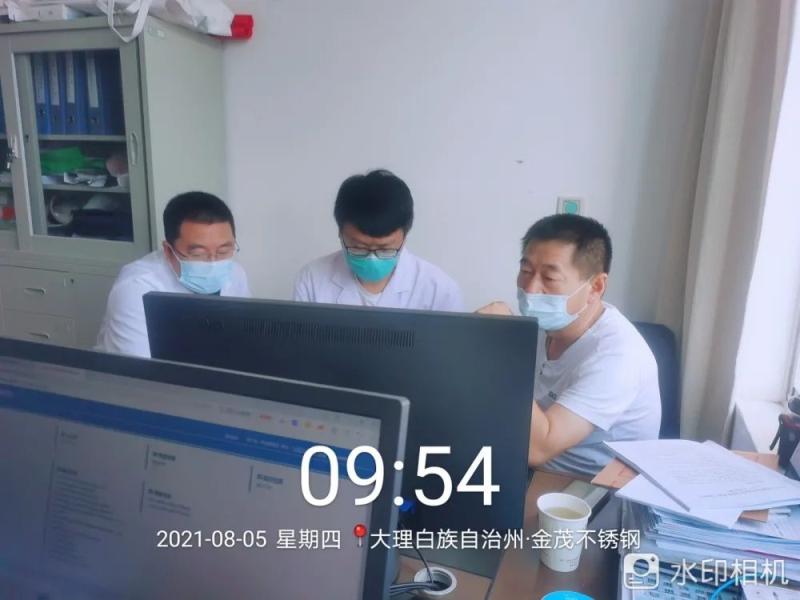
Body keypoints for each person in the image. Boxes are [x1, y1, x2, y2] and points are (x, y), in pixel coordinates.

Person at [479, 214, 661, 476]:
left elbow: (537, 449)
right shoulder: (542, 327)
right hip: (521, 461)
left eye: (549, 278)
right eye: (526, 272)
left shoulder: (619, 356)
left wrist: (499, 346)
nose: (531, 289)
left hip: (586, 485)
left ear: (596, 286)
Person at [96, 191, 251, 358]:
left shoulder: (234, 272)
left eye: (223, 251)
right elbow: (140, 369)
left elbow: (246, 337)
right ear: (169, 251)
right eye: (198, 254)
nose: (213, 263)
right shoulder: (137, 288)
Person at [293, 169, 463, 311]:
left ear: (404, 237)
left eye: (385, 249)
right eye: (359, 248)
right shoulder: (312, 279)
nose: (372, 258)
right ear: (340, 234)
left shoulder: (439, 290)